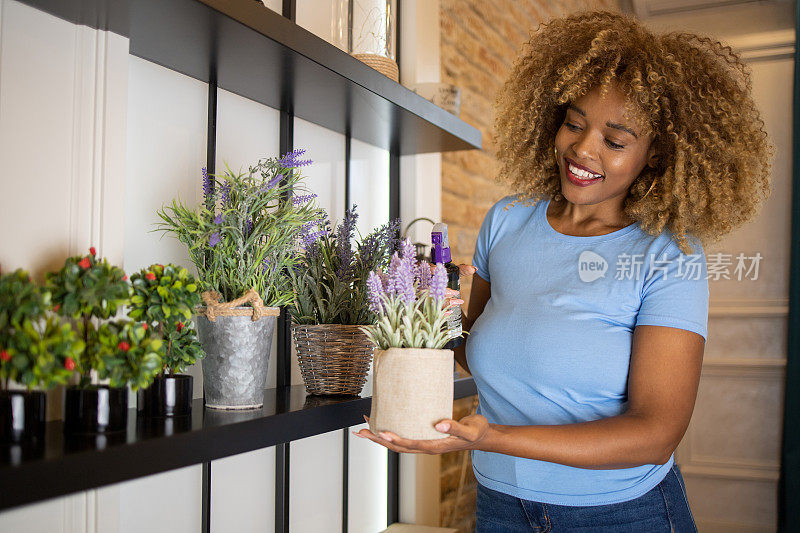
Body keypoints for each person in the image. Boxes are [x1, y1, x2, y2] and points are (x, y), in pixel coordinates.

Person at [356, 10, 773, 532]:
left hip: (622, 515)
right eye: (574, 123)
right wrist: (427, 318)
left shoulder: (667, 258)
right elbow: (475, 348)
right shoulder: (506, 222)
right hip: (502, 505)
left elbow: (655, 433)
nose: (582, 148)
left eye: (615, 141)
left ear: (655, 155)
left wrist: (489, 437)